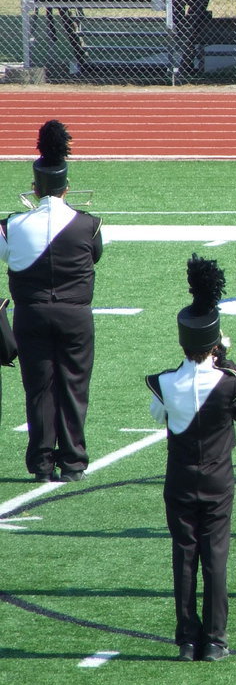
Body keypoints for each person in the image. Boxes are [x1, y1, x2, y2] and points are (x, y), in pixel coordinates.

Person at [148, 255, 236, 662]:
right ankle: (216, 640)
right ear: (214, 345)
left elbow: (161, 416)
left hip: (178, 480)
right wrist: (224, 361)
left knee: (184, 558)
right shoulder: (230, 384)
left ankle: (187, 639)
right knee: (216, 560)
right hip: (218, 482)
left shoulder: (166, 382)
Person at [1, 120, 102, 483]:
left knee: (38, 389)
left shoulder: (11, 224)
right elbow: (94, 255)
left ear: (34, 186)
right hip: (75, 316)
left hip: (30, 315)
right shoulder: (88, 223)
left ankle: (42, 464)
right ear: (67, 186)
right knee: (74, 386)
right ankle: (73, 462)